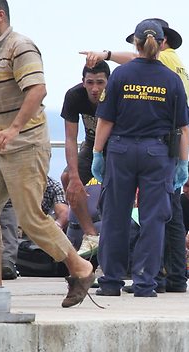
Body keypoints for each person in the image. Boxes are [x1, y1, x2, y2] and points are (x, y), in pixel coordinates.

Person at [0, 0, 95, 308]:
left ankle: (79, 266)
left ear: (0, 16)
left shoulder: (20, 46)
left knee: (30, 216)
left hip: (25, 145)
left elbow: (37, 90)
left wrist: (13, 129)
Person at [82, 18, 189, 294]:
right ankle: (144, 282)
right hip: (157, 153)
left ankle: (111, 281)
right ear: (161, 43)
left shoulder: (121, 75)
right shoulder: (171, 79)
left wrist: (97, 154)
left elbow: (105, 121)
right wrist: (183, 163)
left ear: (137, 43)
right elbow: (182, 128)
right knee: (154, 219)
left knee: (115, 217)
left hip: (121, 150)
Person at [60, 61, 110, 258]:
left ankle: (112, 235)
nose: (95, 89)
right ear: (83, 83)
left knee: (114, 189)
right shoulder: (74, 96)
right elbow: (70, 139)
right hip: (91, 144)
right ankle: (91, 233)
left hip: (115, 146)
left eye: (100, 83)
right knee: (67, 179)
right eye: (90, 83)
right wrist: (74, 177)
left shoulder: (115, 95)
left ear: (108, 82)